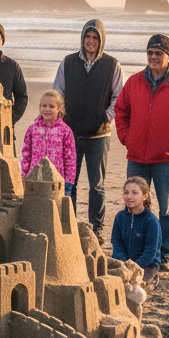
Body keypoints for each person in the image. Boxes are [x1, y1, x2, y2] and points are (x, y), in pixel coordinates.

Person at [113, 33, 169, 271]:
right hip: (137, 157)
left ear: (167, 56)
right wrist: (127, 138)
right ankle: (138, 252)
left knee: (167, 209)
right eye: (150, 53)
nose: (153, 57)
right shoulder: (134, 82)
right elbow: (121, 111)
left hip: (166, 159)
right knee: (134, 205)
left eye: (159, 53)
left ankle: (166, 254)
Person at [53, 19, 123, 244]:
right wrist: (62, 121)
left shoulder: (112, 65)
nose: (91, 41)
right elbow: (57, 93)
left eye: (95, 37)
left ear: (101, 40)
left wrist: (106, 116)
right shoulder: (68, 62)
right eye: (88, 36)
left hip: (99, 136)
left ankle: (96, 228)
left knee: (97, 185)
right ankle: (69, 224)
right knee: (69, 182)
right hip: (71, 134)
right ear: (82, 38)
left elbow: (118, 97)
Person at [20, 90, 76, 191]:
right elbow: (26, 154)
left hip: (56, 181)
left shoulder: (65, 130)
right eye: (44, 106)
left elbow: (70, 158)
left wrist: (69, 181)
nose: (47, 109)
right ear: (40, 107)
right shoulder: (32, 129)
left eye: (51, 106)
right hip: (34, 178)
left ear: (58, 108)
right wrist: (23, 175)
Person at [111, 177, 162, 288]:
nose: (129, 196)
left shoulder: (151, 221)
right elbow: (117, 243)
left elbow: (150, 251)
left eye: (135, 193)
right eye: (126, 192)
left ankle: (153, 278)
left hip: (147, 265)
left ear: (145, 196)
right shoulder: (120, 217)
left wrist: (134, 267)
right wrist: (122, 264)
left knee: (134, 288)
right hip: (125, 263)